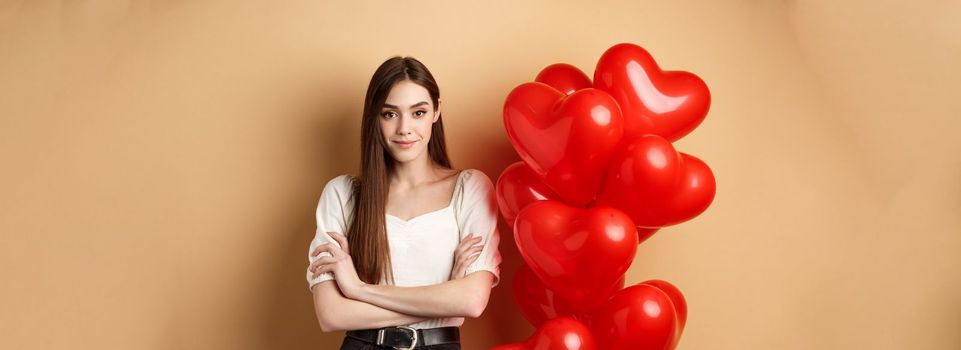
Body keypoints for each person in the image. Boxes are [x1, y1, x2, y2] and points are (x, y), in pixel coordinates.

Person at [305, 56, 502, 350]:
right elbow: (331, 314)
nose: (404, 129)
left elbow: (472, 301)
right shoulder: (342, 194)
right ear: (374, 117)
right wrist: (444, 302)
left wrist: (358, 289)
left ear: (437, 111)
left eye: (418, 112)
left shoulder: (469, 188)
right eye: (390, 114)